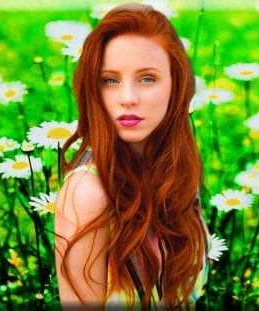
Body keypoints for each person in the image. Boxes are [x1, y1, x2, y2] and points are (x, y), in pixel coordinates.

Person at [55, 3, 209, 310]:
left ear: (176, 86)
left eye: (147, 79)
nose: (128, 98)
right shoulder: (88, 193)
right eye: (110, 80)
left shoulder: (178, 172)